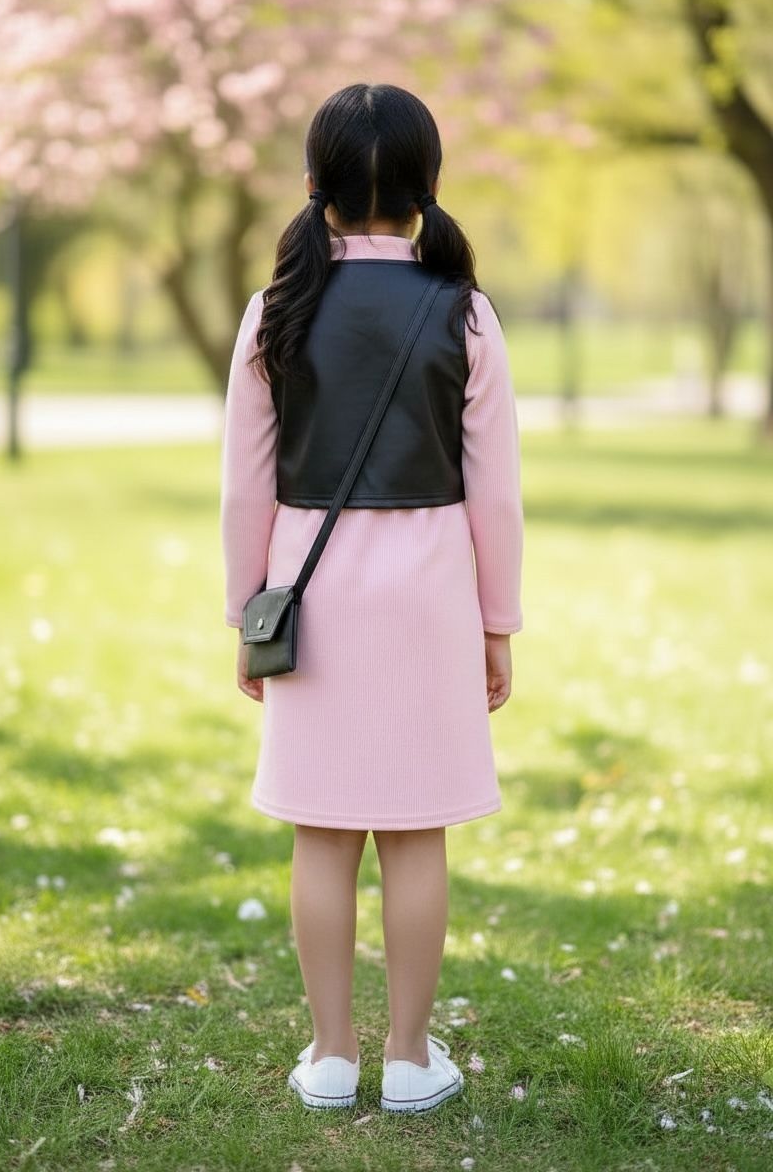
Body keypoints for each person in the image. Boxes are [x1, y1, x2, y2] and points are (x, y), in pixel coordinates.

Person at [220, 83, 523, 1114]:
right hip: (431, 594)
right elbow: (495, 491)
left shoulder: (278, 308)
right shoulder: (465, 309)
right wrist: (496, 625)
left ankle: (331, 1055)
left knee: (321, 829)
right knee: (414, 830)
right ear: (430, 189)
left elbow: (244, 484)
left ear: (315, 188)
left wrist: (244, 611)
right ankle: (407, 1059)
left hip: (312, 593)